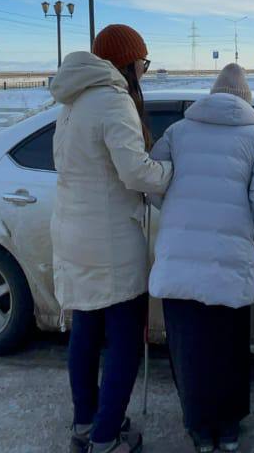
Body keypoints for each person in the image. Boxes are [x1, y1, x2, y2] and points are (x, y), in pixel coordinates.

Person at [148, 64, 254, 452]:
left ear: (212, 94)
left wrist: (173, 214)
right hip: (230, 259)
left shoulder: (177, 131)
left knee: (188, 346)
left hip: (179, 259)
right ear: (246, 101)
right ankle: (226, 430)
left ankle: (198, 427)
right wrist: (251, 232)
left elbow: (152, 182)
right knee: (227, 346)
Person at [50, 24, 174, 453]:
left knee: (85, 331)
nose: (144, 67)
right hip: (110, 242)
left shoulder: (73, 101)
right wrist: (172, 173)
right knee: (124, 340)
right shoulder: (114, 100)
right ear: (127, 61)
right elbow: (136, 172)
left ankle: (85, 423)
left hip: (74, 234)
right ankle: (106, 438)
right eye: (143, 60)